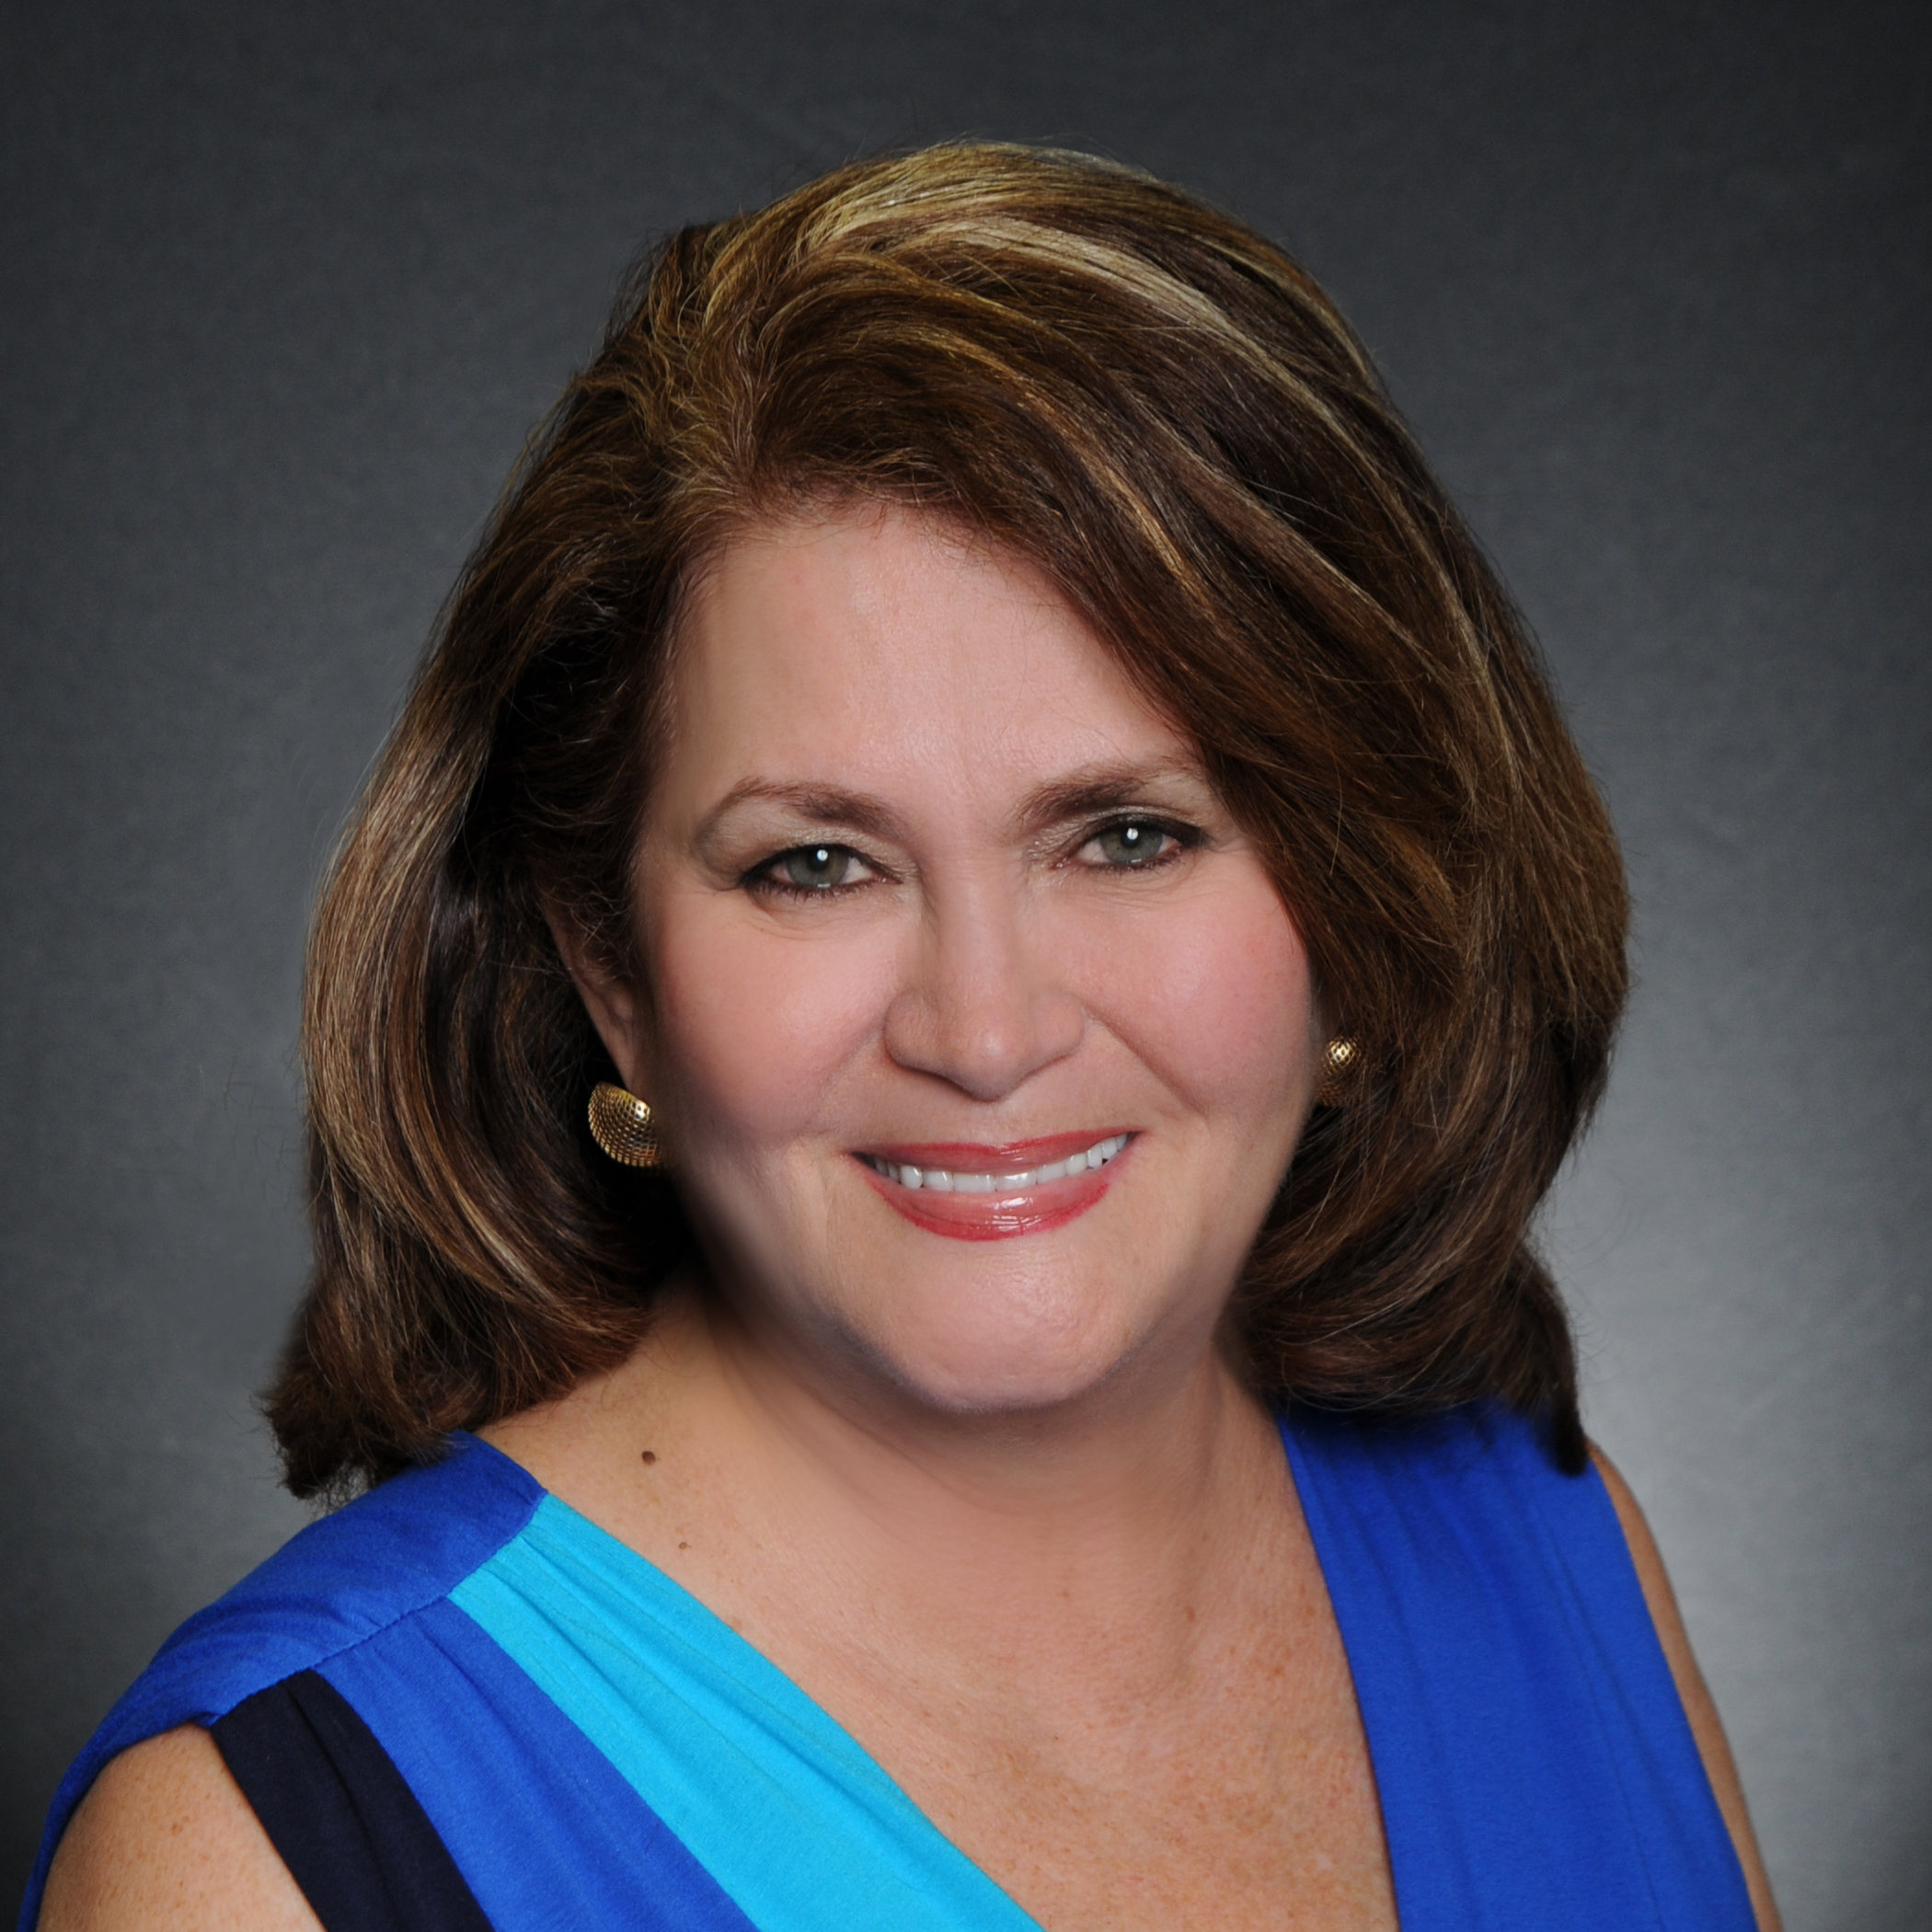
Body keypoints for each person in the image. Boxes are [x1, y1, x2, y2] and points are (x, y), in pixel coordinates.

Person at [29, 143, 1779, 1931]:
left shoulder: (1556, 1537)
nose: (987, 1031)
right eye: (816, 864)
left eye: (1128, 836)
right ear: (610, 970)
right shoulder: (254, 1858)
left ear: (1357, 894)